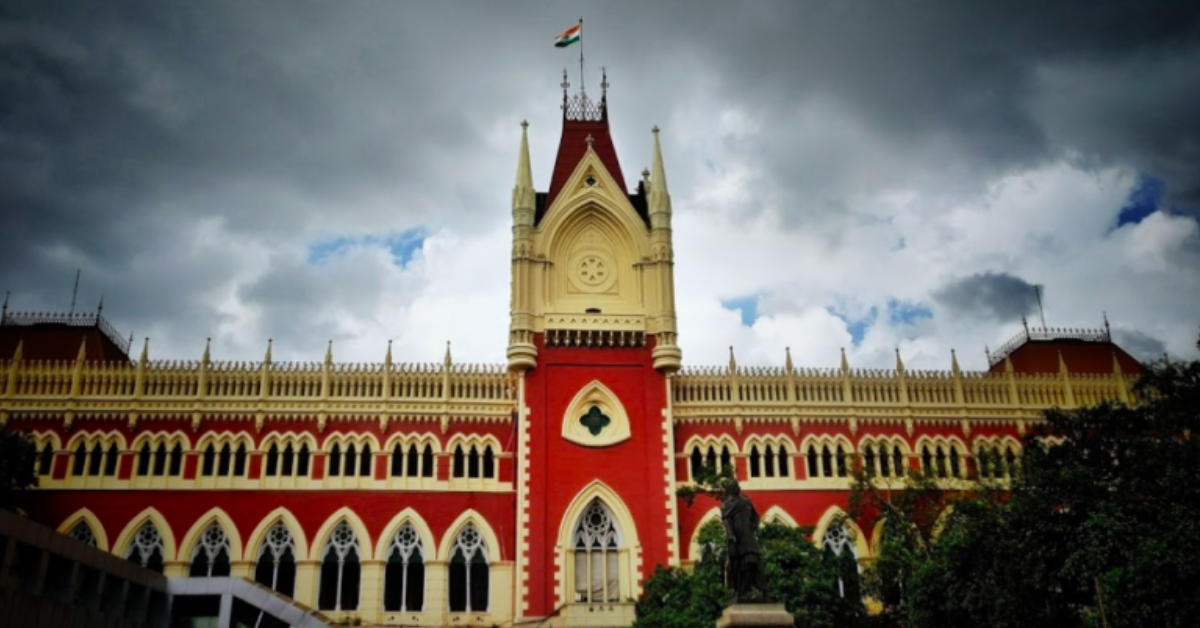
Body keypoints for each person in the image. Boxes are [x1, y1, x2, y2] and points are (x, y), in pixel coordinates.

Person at [720, 478, 768, 602]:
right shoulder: (727, 505)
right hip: (736, 540)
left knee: (753, 563)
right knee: (737, 566)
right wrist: (731, 536)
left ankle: (763, 591)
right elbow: (727, 522)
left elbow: (755, 516)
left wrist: (751, 527)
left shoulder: (745, 502)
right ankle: (740, 591)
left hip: (746, 538)